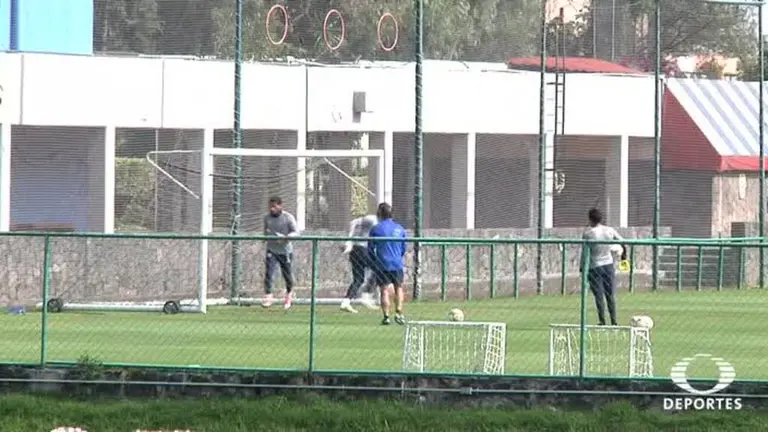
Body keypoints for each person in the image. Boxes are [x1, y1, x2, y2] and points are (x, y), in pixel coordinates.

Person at [580, 208, 627, 326]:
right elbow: (622, 241)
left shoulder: (588, 233)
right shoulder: (609, 230)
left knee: (599, 295)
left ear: (590, 218)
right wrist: (624, 255)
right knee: (610, 294)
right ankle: (614, 321)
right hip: (608, 265)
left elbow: (585, 252)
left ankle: (602, 320)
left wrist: (582, 266)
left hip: (594, 266)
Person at [368, 202, 407, 325]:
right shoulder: (399, 228)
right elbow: (403, 247)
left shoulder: (375, 229)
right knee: (398, 287)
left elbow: (370, 248)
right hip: (396, 263)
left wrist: (374, 260)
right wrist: (397, 256)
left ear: (379, 214)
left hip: (382, 263)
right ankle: (399, 312)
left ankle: (386, 316)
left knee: (384, 289)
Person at [262, 196, 299, 310]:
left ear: (280, 206)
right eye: (270, 206)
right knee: (269, 272)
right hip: (271, 250)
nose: (272, 209)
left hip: (285, 251)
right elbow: (265, 231)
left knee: (287, 275)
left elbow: (296, 232)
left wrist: (286, 237)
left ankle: (289, 294)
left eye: (274, 206)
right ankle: (268, 296)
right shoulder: (266, 217)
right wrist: (265, 238)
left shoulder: (288, 218)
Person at [340, 214, 379, 314]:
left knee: (359, 279)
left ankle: (345, 302)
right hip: (361, 249)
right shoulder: (372, 219)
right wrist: (349, 239)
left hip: (358, 249)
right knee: (379, 268)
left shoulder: (379, 223)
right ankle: (366, 294)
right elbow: (353, 222)